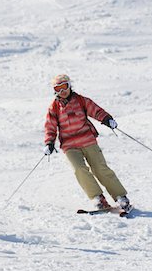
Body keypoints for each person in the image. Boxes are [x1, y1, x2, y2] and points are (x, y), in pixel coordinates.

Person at [43, 74, 131, 211]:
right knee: (79, 169)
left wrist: (107, 119)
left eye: (64, 86)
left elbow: (96, 111)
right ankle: (98, 198)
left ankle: (121, 197)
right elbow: (50, 126)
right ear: (54, 91)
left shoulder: (81, 101)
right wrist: (49, 142)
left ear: (70, 86)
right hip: (69, 145)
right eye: (58, 88)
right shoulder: (54, 108)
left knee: (100, 168)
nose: (62, 91)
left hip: (88, 140)